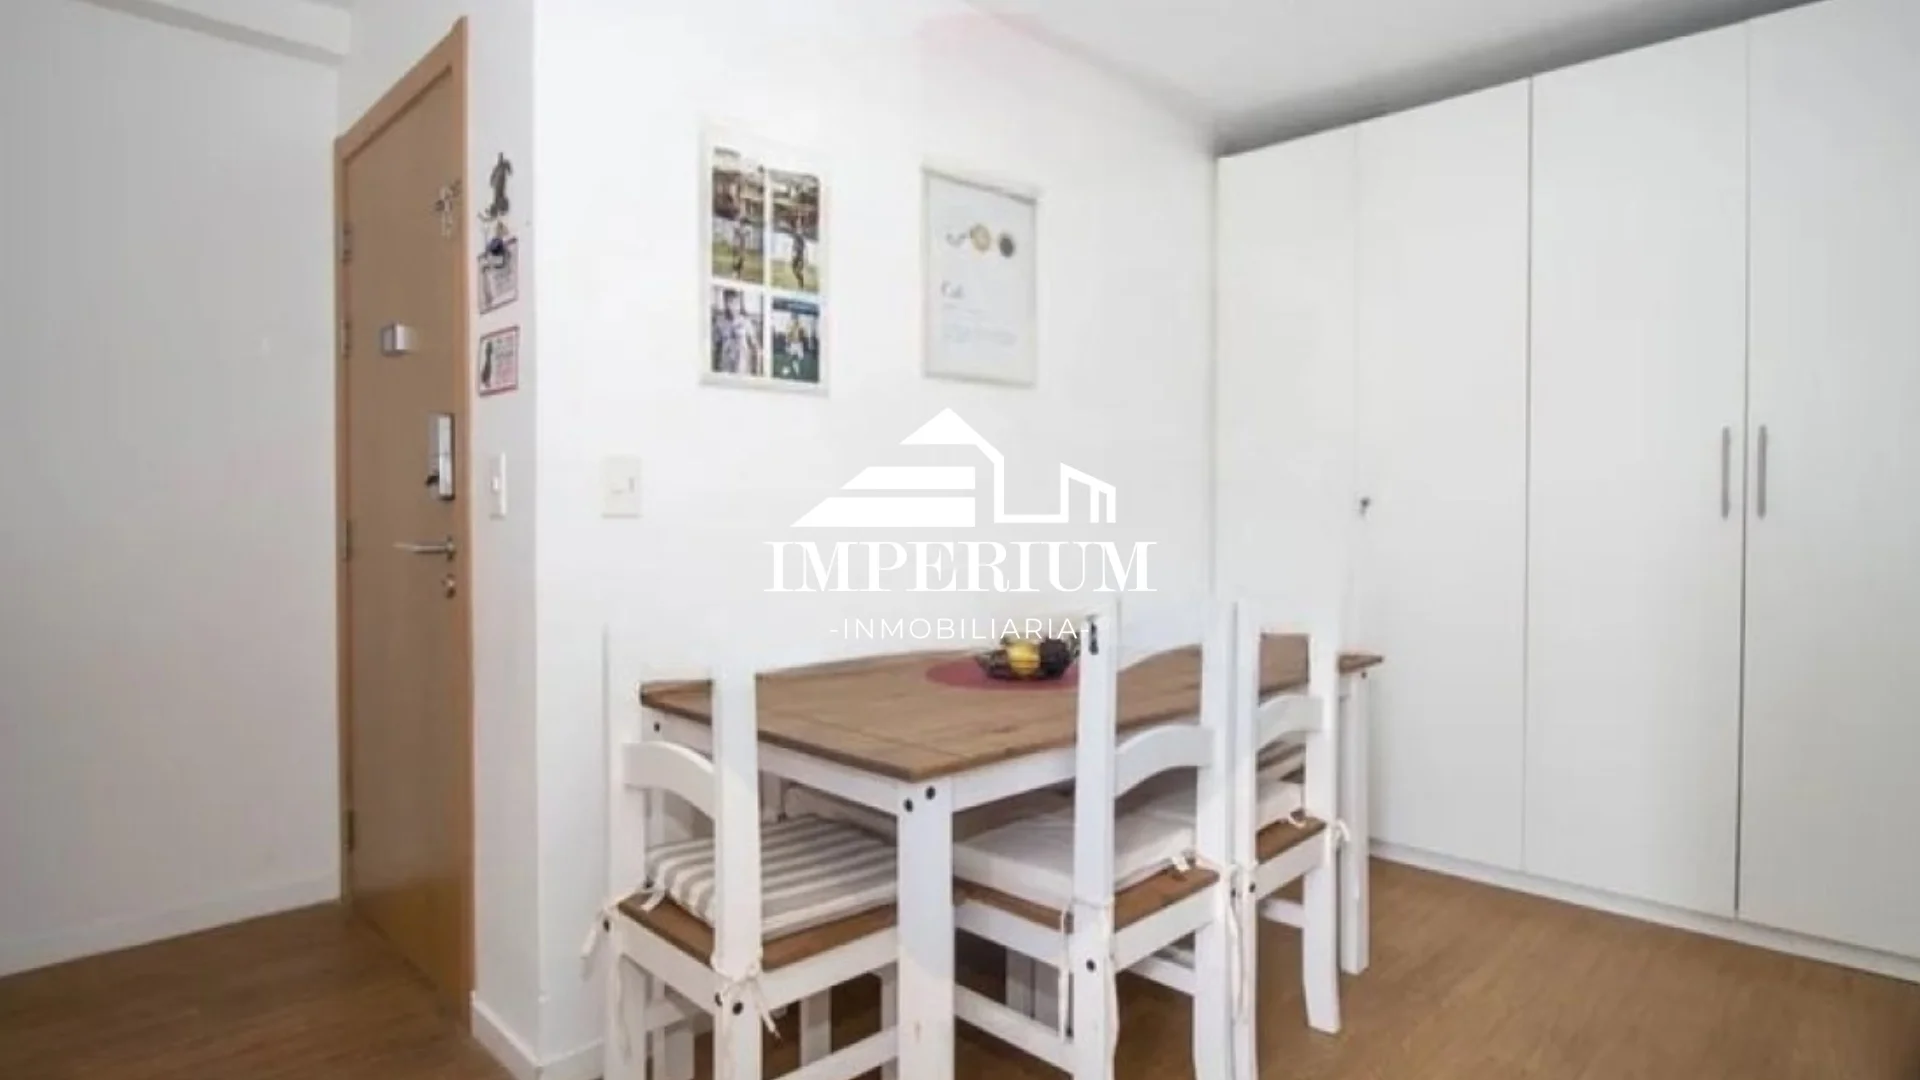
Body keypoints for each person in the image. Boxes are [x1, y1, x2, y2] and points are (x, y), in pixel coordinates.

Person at [713, 290, 760, 375]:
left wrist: (756, 371)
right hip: (725, 369)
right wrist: (715, 370)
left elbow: (755, 347)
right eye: (729, 301)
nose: (732, 306)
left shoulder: (746, 322)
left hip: (742, 370)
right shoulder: (719, 323)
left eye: (735, 302)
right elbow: (717, 348)